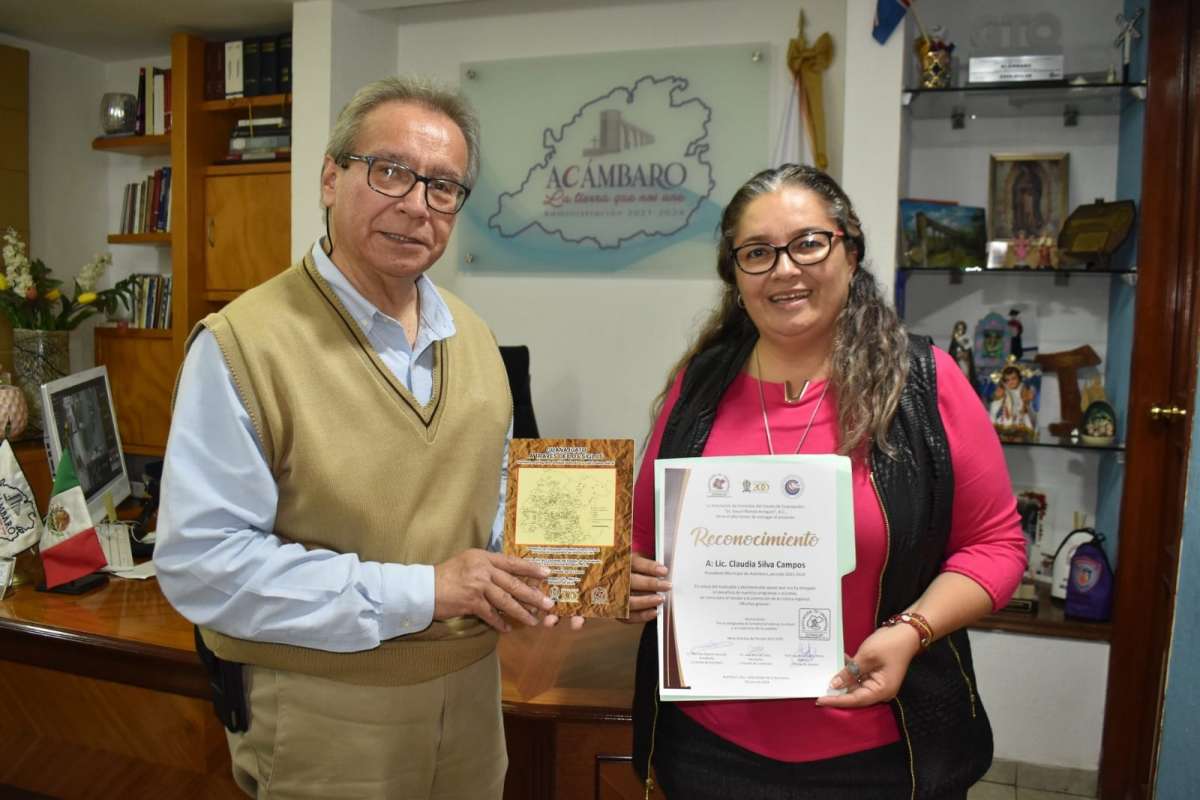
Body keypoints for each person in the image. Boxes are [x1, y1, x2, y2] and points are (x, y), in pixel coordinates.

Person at [154, 77, 556, 800]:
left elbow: (490, 501)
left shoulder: (475, 337)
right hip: (322, 706)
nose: (416, 205)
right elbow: (203, 565)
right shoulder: (243, 345)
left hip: (470, 698)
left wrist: (563, 563)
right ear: (331, 178)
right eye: (391, 171)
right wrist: (426, 590)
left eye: (443, 187)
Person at [625, 164, 1026, 799]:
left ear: (850, 248)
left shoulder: (924, 382)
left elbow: (997, 546)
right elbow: (645, 543)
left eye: (808, 243)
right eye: (757, 253)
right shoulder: (697, 386)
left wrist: (910, 631)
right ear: (735, 275)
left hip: (881, 753)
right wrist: (629, 580)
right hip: (708, 748)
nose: (785, 269)